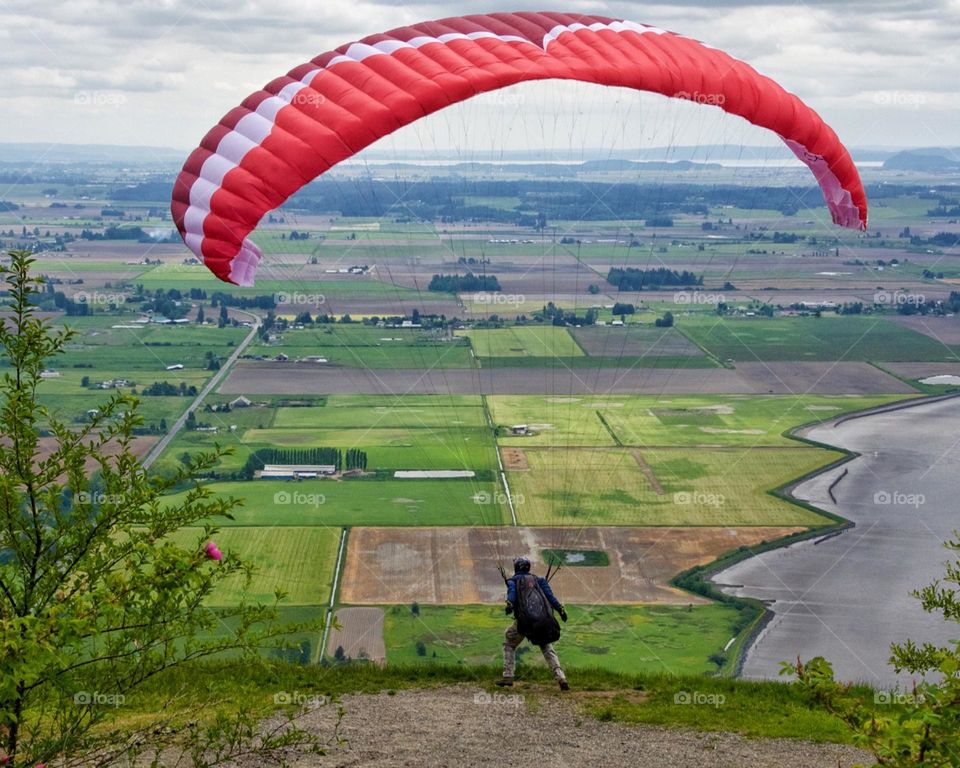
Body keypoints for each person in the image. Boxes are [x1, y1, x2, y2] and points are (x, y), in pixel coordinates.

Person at [497, 556, 569, 690]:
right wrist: (561, 610)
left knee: (509, 642)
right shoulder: (539, 580)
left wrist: (510, 604)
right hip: (542, 621)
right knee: (547, 647)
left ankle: (508, 676)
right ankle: (561, 678)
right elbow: (550, 597)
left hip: (525, 623)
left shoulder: (513, 581)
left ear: (516, 567)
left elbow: (512, 593)